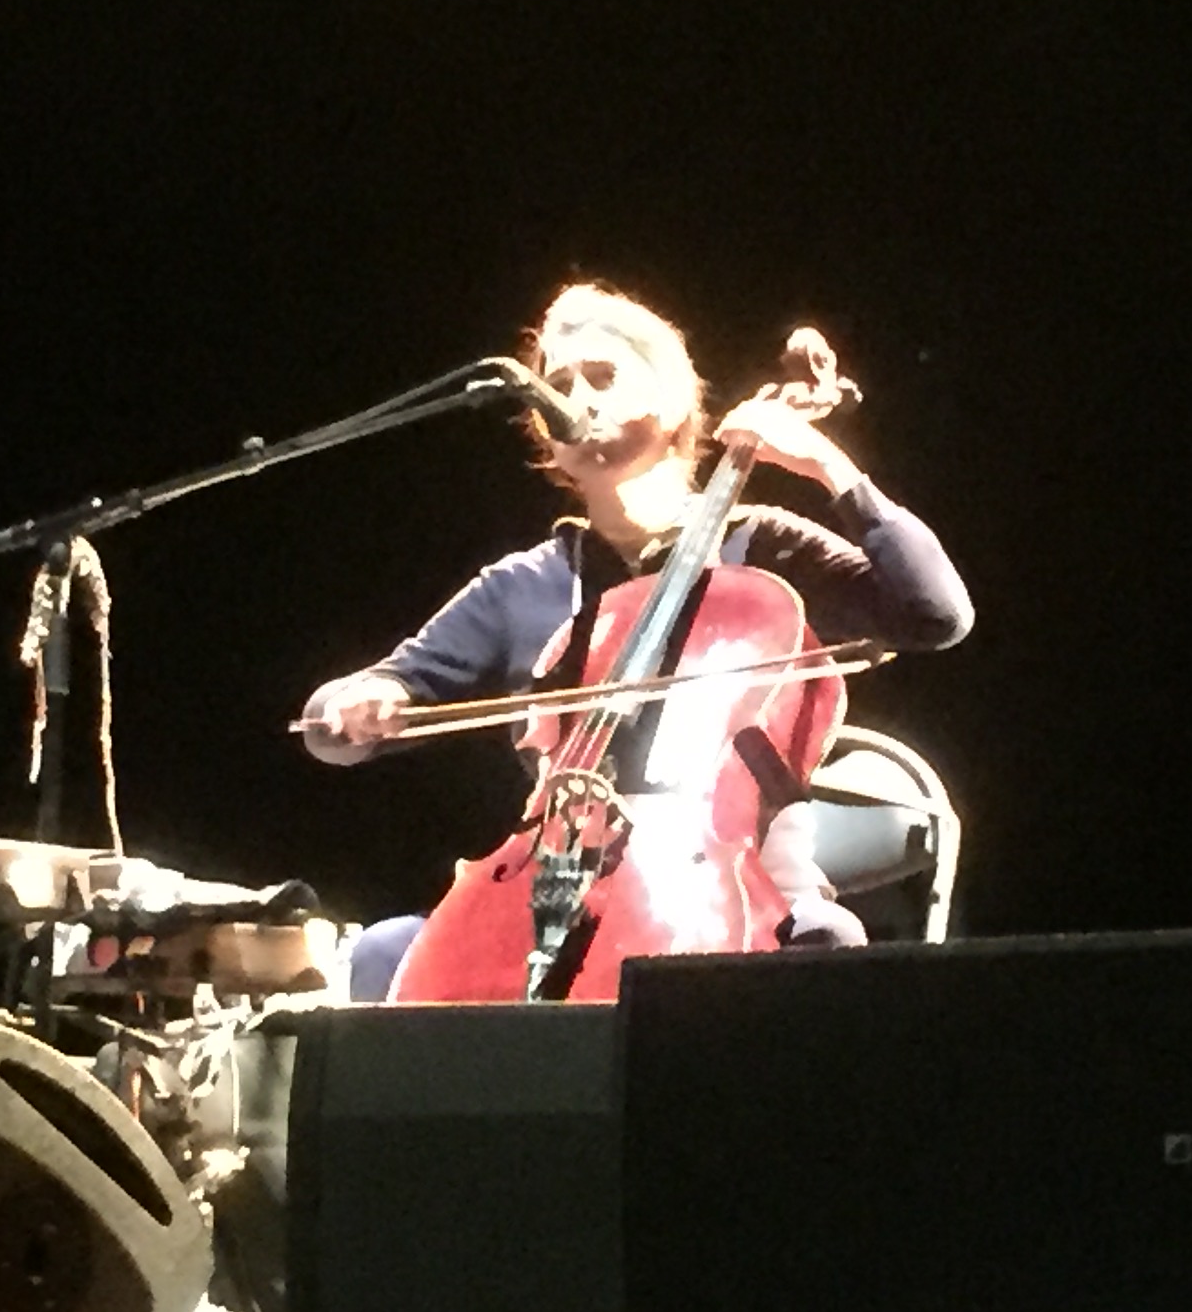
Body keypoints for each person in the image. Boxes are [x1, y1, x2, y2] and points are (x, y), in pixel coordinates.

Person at [298, 282, 973, 997]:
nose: (576, 396)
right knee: (381, 956)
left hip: (733, 887)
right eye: (557, 385)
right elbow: (342, 721)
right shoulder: (526, 583)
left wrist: (828, 467)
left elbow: (935, 615)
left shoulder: (759, 546)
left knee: (820, 954)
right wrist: (358, 702)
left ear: (674, 403)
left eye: (603, 375)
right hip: (544, 892)